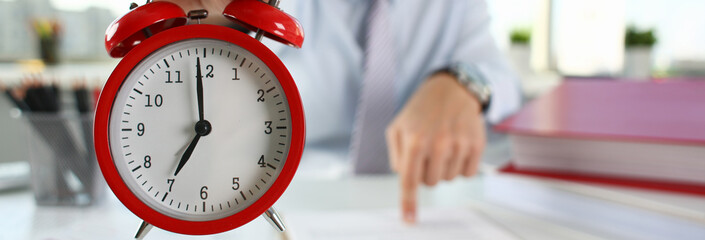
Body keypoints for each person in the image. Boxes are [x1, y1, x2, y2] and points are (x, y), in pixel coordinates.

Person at [160, 0, 521, 224]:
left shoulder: (457, 6)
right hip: (281, 197)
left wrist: (464, 82)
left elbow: (503, 80)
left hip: (417, 203)